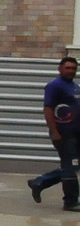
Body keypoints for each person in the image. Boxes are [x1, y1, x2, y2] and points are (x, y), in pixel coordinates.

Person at [27, 55, 80, 210]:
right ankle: (70, 201)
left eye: (74, 68)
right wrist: (54, 131)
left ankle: (40, 182)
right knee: (71, 166)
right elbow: (48, 109)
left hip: (76, 133)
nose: (71, 71)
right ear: (60, 69)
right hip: (64, 134)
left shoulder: (75, 86)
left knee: (74, 165)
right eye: (68, 68)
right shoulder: (54, 86)